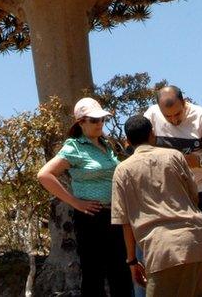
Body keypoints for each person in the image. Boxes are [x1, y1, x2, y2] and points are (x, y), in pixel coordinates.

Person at [38, 97, 133, 297]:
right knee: (94, 274)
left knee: (121, 272)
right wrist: (75, 202)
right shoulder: (75, 146)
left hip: (115, 215)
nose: (100, 124)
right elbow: (44, 175)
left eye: (102, 120)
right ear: (81, 122)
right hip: (92, 219)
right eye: (94, 120)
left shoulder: (106, 145)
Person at [144, 86, 202, 295]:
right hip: (167, 196)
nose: (174, 120)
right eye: (169, 117)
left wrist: (199, 160)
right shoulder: (151, 116)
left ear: (185, 103)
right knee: (170, 255)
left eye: (178, 114)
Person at [111, 115, 202, 297]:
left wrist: (132, 260)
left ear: (127, 140)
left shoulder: (123, 170)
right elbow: (193, 195)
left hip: (159, 248)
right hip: (193, 239)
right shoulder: (175, 156)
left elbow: (124, 221)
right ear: (152, 134)